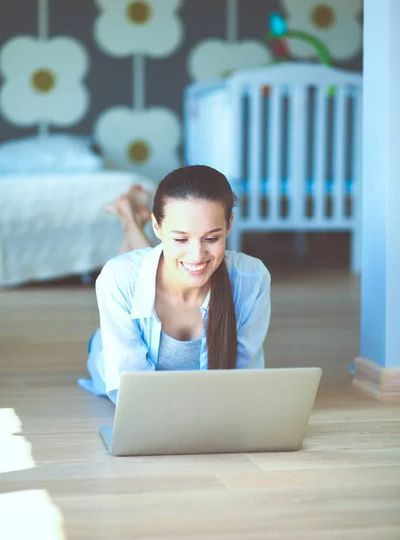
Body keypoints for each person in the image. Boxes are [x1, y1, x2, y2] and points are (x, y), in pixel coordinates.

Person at [78, 165, 271, 404]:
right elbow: (132, 394)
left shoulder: (252, 279)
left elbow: (246, 380)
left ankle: (129, 216)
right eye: (181, 238)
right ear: (157, 227)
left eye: (211, 238)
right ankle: (129, 218)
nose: (197, 254)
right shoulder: (117, 278)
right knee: (128, 271)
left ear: (229, 225)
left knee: (157, 263)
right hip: (107, 347)